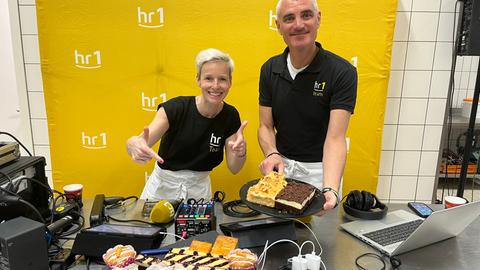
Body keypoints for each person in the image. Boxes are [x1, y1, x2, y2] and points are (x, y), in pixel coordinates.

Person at [257, 0, 357, 213]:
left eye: (306, 15)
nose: (298, 24)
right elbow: (265, 126)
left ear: (318, 18)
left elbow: (335, 138)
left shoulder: (342, 72)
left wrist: (330, 187)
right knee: (279, 240)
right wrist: (271, 154)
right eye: (289, 18)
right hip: (281, 172)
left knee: (321, 242)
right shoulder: (269, 69)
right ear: (278, 26)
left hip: (321, 172)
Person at [127, 48, 247, 201]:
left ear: (230, 82)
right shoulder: (176, 107)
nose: (215, 86)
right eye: (208, 78)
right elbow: (139, 141)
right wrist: (133, 144)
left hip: (199, 191)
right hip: (162, 188)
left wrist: (240, 152)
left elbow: (235, 167)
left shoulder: (230, 115)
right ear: (198, 79)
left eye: (222, 79)